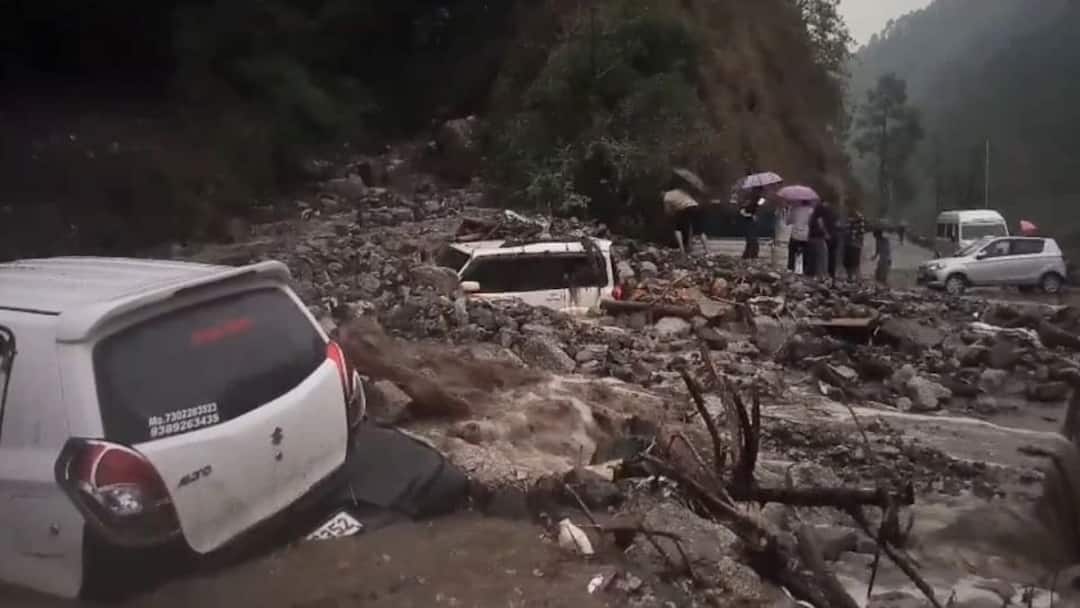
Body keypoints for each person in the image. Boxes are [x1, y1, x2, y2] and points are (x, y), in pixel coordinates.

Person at [662, 183, 708, 254]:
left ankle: (682, 250)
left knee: (677, 229)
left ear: (663, 191)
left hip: (684, 209)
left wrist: (672, 214)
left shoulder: (666, 196)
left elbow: (667, 211)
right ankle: (707, 251)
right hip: (695, 207)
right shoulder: (680, 190)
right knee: (700, 231)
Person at [808, 199, 834, 278]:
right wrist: (826, 234)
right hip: (819, 238)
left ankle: (814, 275)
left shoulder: (813, 214)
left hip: (811, 237)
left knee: (814, 258)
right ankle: (821, 275)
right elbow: (821, 223)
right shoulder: (820, 211)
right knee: (822, 257)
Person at [786, 200, 813, 273]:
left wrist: (789, 210)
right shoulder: (812, 211)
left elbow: (788, 222)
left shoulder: (795, 209)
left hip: (795, 234)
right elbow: (812, 223)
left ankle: (790, 269)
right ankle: (805, 270)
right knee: (807, 254)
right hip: (806, 236)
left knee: (791, 252)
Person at [739, 189, 763, 259]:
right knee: (751, 238)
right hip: (749, 221)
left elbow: (759, 206)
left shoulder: (758, 199)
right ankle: (750, 255)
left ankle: (751, 255)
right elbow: (742, 211)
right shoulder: (747, 200)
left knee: (752, 238)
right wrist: (751, 215)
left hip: (753, 221)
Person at [844, 210, 866, 280]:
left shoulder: (859, 217)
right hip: (850, 244)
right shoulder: (851, 216)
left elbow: (860, 232)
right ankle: (851, 277)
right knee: (849, 263)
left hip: (855, 244)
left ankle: (856, 278)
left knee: (854, 263)